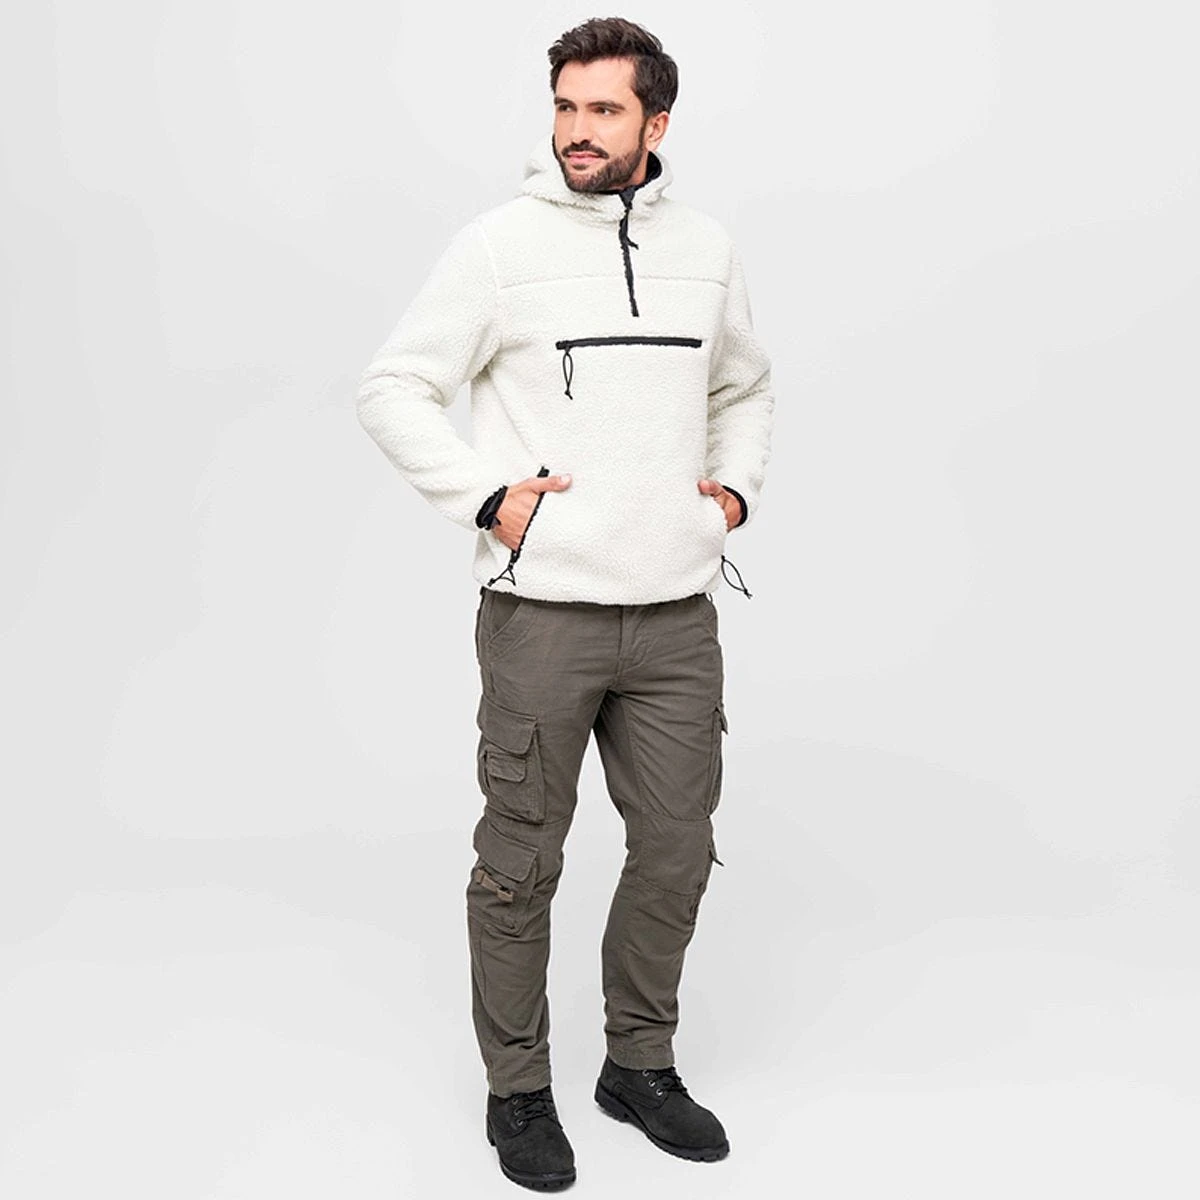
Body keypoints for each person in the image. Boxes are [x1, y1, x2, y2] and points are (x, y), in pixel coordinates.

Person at [356, 16, 774, 1192]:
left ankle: (638, 1067)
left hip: (677, 615)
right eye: (565, 107)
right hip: (544, 617)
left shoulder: (708, 248)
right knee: (520, 862)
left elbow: (745, 385)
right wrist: (486, 499)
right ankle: (520, 1089)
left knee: (677, 849)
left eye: (603, 110)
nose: (576, 131)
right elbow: (394, 384)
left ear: (656, 121)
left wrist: (733, 491)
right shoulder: (499, 247)